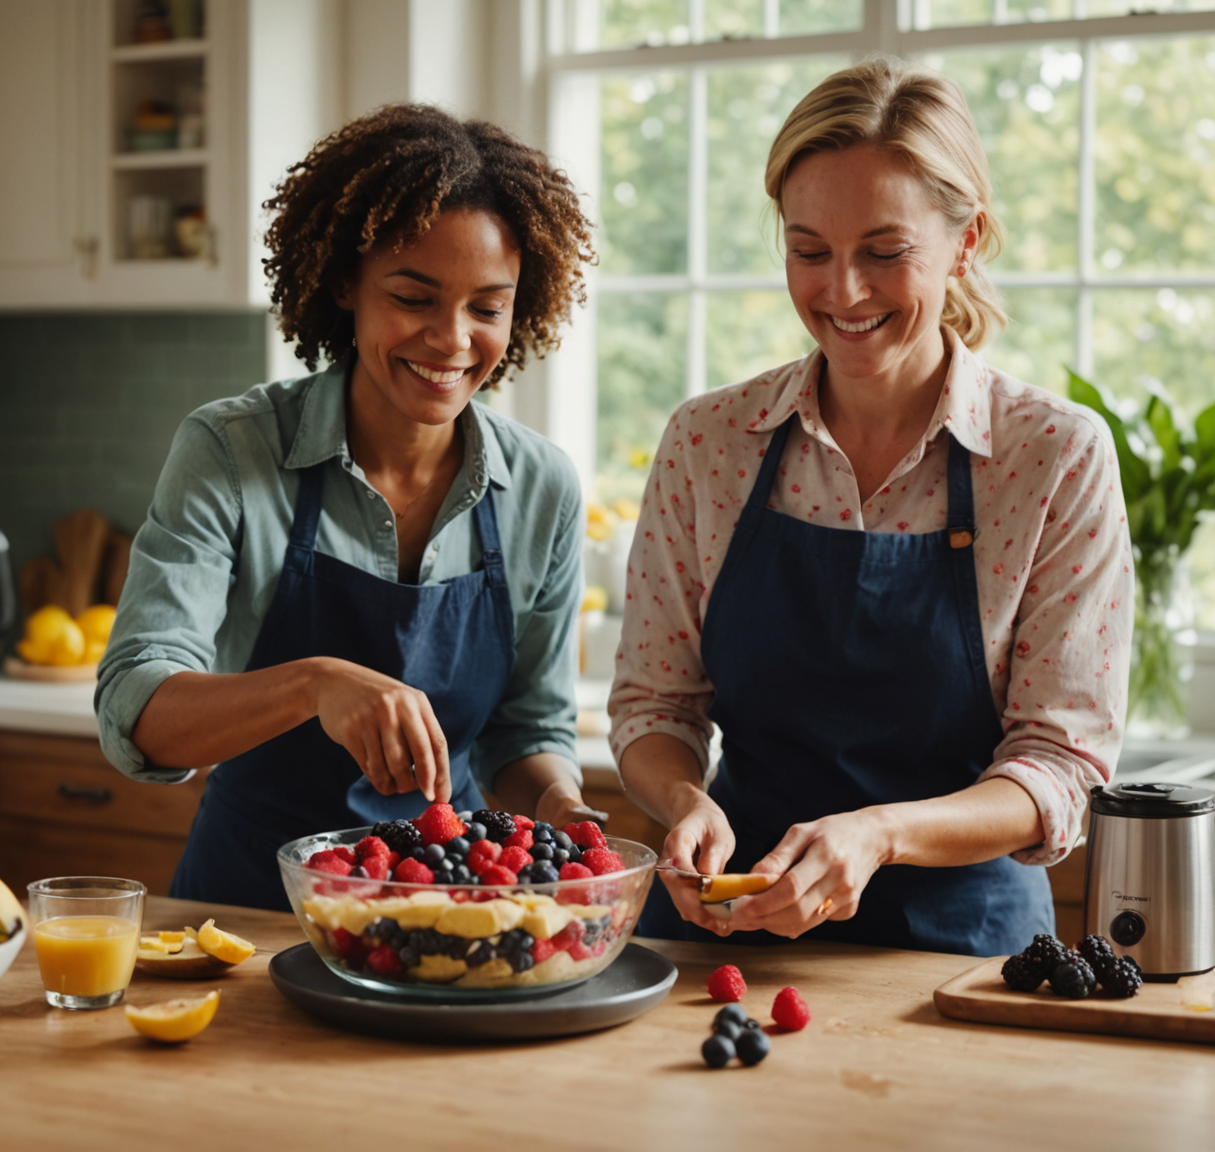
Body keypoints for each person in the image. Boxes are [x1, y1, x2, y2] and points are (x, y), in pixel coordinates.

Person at [611, 58, 1133, 955]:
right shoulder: (710, 441)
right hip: (722, 940)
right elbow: (655, 708)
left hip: (958, 961)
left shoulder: (1050, 456)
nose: (842, 292)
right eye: (808, 250)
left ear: (965, 243)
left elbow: (1059, 769)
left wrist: (878, 834)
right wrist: (685, 802)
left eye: (884, 254)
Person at [96, 104, 597, 911]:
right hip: (250, 907)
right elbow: (135, 711)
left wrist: (561, 809)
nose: (452, 339)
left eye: (487, 307)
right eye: (413, 296)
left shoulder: (542, 486)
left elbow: (527, 731)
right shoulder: (231, 450)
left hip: (449, 908)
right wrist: (313, 685)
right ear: (344, 285)